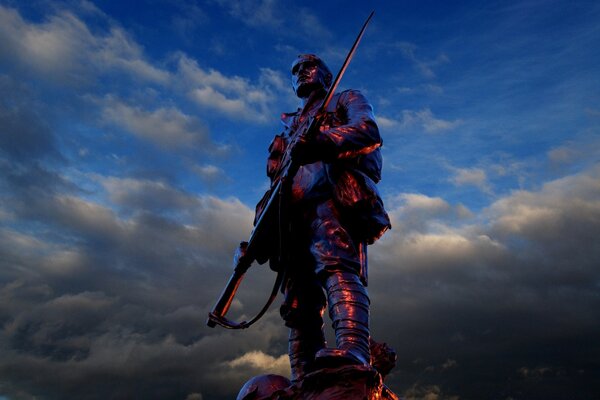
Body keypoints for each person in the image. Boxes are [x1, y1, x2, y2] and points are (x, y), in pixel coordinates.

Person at [242, 54, 390, 383]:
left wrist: (322, 142)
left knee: (337, 268)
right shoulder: (288, 127)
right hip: (291, 218)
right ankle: (304, 375)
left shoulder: (345, 99)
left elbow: (367, 132)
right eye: (295, 69)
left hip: (330, 199)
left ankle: (353, 350)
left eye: (310, 65)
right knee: (298, 302)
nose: (302, 71)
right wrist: (254, 242)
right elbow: (276, 184)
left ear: (325, 74)